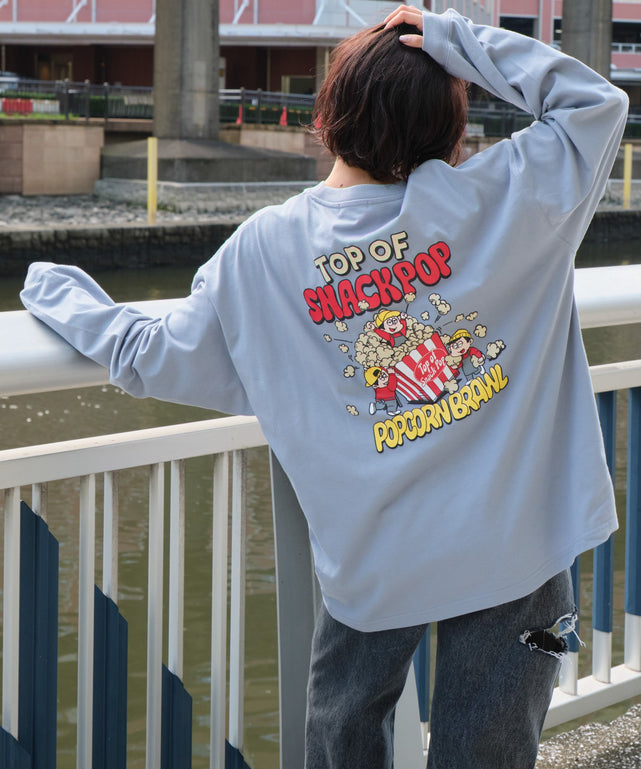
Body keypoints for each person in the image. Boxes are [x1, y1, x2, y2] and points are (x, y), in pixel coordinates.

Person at [20, 5, 628, 768]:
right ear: (449, 133)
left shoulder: (264, 251)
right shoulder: (503, 198)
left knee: (340, 741)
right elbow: (594, 103)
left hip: (374, 560)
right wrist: (452, 36)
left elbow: (148, 355)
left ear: (328, 113)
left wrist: (52, 286)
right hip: (517, 549)